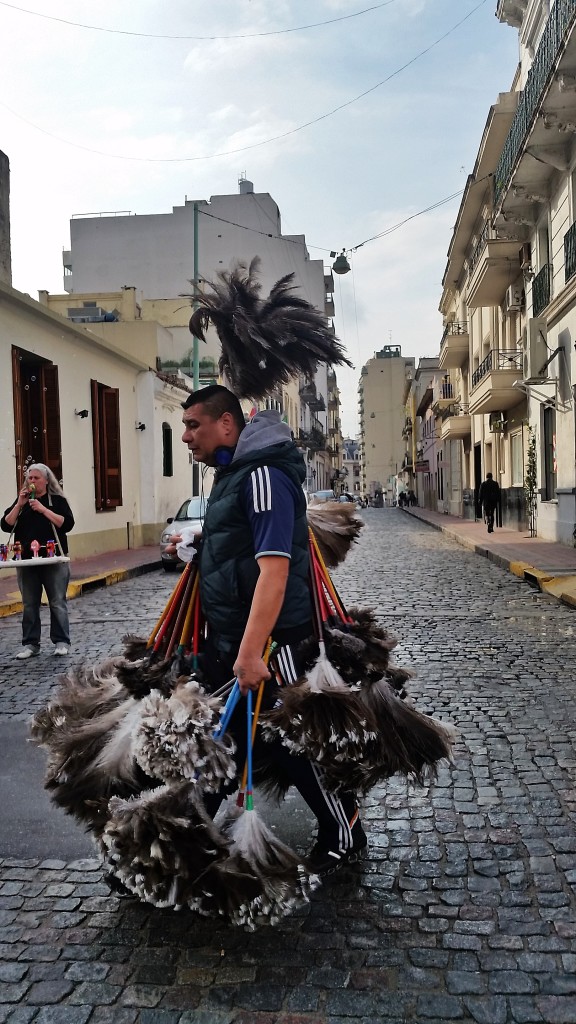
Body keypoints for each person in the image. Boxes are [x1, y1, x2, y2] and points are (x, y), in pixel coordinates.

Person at [180, 384, 367, 874]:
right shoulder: (233, 474)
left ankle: (341, 828)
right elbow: (244, 550)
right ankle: (187, 833)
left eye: (193, 425)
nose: (185, 437)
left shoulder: (261, 475)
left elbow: (275, 571)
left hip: (272, 641)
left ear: (226, 424)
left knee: (288, 742)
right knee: (240, 739)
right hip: (238, 639)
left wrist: (249, 654)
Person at [2, 464, 75, 659]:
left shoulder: (57, 501)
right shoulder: (23, 502)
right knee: (29, 603)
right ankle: (31, 644)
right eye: (29, 478)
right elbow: (6, 525)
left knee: (57, 601)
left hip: (53, 560)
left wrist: (43, 509)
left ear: (46, 481)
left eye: (36, 478)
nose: (32, 481)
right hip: (26, 561)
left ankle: (61, 641)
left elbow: (66, 524)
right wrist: (19, 504)